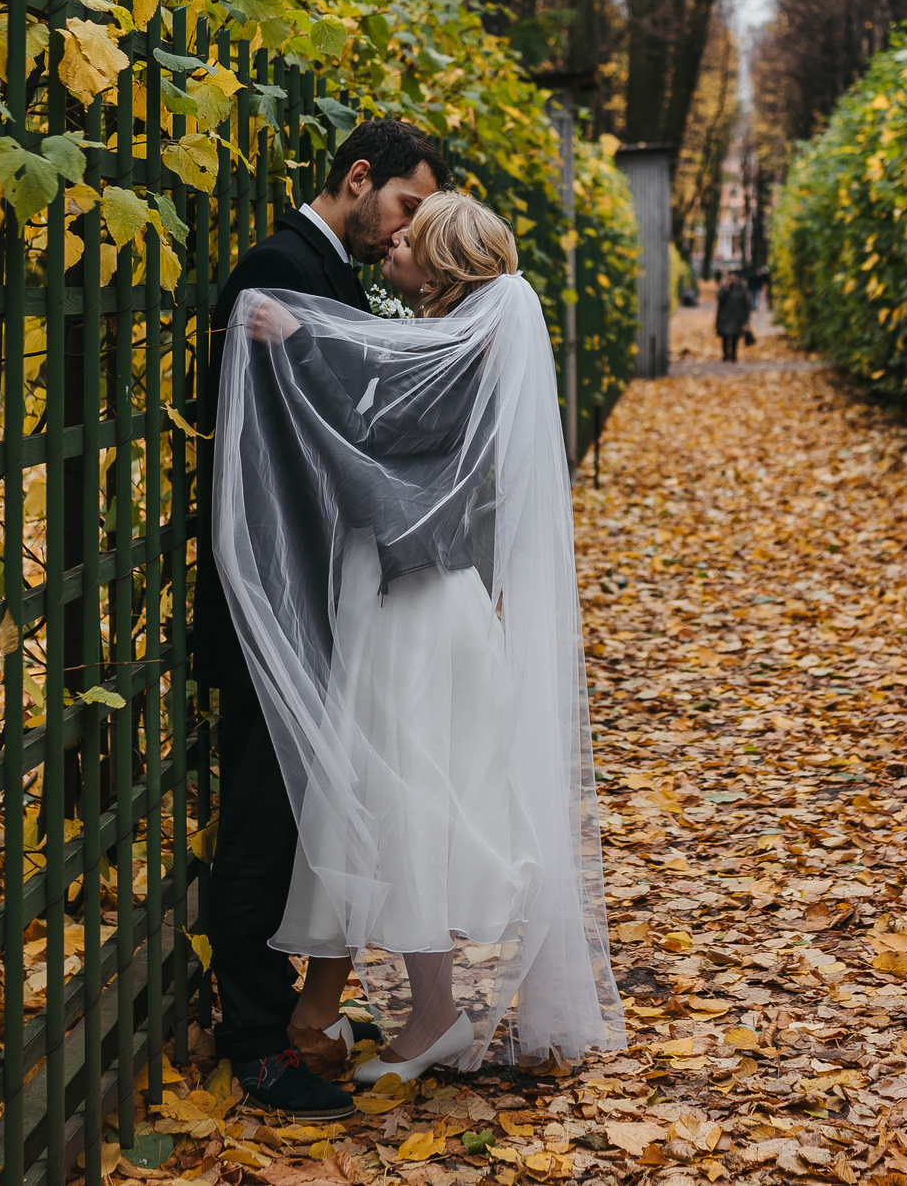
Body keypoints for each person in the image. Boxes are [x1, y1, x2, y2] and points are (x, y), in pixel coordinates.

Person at [215, 193, 624, 1089]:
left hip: (415, 609)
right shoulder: (455, 345)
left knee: (389, 798)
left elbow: (373, 440)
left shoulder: (454, 357)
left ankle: (351, 1013)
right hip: (417, 599)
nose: (390, 242)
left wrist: (297, 343)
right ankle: (426, 1016)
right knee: (404, 806)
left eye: (408, 238)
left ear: (435, 267)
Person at [194, 117, 448, 1120]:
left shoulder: (325, 274)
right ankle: (255, 1044)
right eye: (404, 205)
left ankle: (298, 1016)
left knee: (297, 812)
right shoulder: (277, 265)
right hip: (274, 590)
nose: (403, 233)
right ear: (356, 177)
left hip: (317, 588)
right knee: (259, 821)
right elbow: (292, 426)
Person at [714, 268, 754, 364]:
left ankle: (733, 355)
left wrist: (746, 318)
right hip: (725, 317)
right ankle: (725, 355)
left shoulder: (742, 289)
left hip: (737, 317)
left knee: (735, 337)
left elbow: (746, 304)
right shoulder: (724, 288)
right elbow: (719, 298)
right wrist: (726, 289)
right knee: (725, 337)